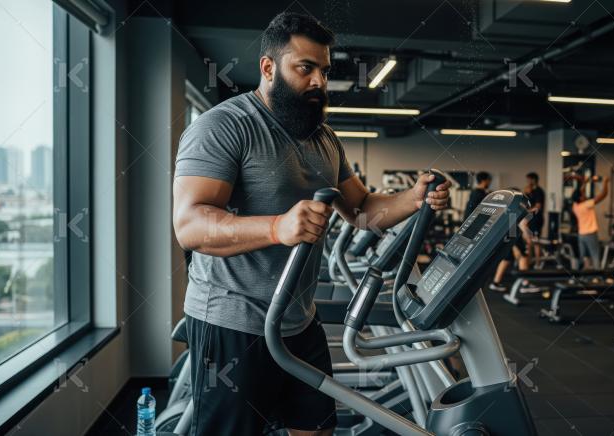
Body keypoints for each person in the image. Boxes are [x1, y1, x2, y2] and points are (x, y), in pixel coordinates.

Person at [172, 13, 450, 436]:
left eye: (323, 70)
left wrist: (413, 198)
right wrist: (276, 228)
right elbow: (190, 226)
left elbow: (359, 209)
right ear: (269, 68)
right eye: (305, 68)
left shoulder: (323, 138)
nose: (319, 81)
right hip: (232, 320)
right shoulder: (224, 127)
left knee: (317, 429)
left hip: (297, 318)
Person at [489, 188, 532, 292]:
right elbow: (517, 227)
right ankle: (525, 284)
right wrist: (516, 245)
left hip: (507, 236)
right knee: (523, 256)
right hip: (512, 236)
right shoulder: (512, 209)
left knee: (507, 259)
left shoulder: (507, 208)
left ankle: (496, 282)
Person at [571, 175, 610, 269]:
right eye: (583, 194)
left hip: (581, 235)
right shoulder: (586, 204)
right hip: (590, 234)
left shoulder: (575, 206)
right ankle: (597, 276)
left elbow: (581, 191)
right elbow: (603, 195)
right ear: (580, 198)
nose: (585, 195)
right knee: (595, 256)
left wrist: (586, 182)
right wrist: (605, 182)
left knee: (584, 257)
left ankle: (583, 277)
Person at [523, 172, 545, 265]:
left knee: (536, 242)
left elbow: (538, 207)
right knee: (528, 242)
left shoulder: (539, 191)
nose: (527, 182)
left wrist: (526, 212)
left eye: (529, 180)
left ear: (534, 180)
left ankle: (538, 263)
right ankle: (529, 262)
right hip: (529, 220)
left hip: (536, 220)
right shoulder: (530, 191)